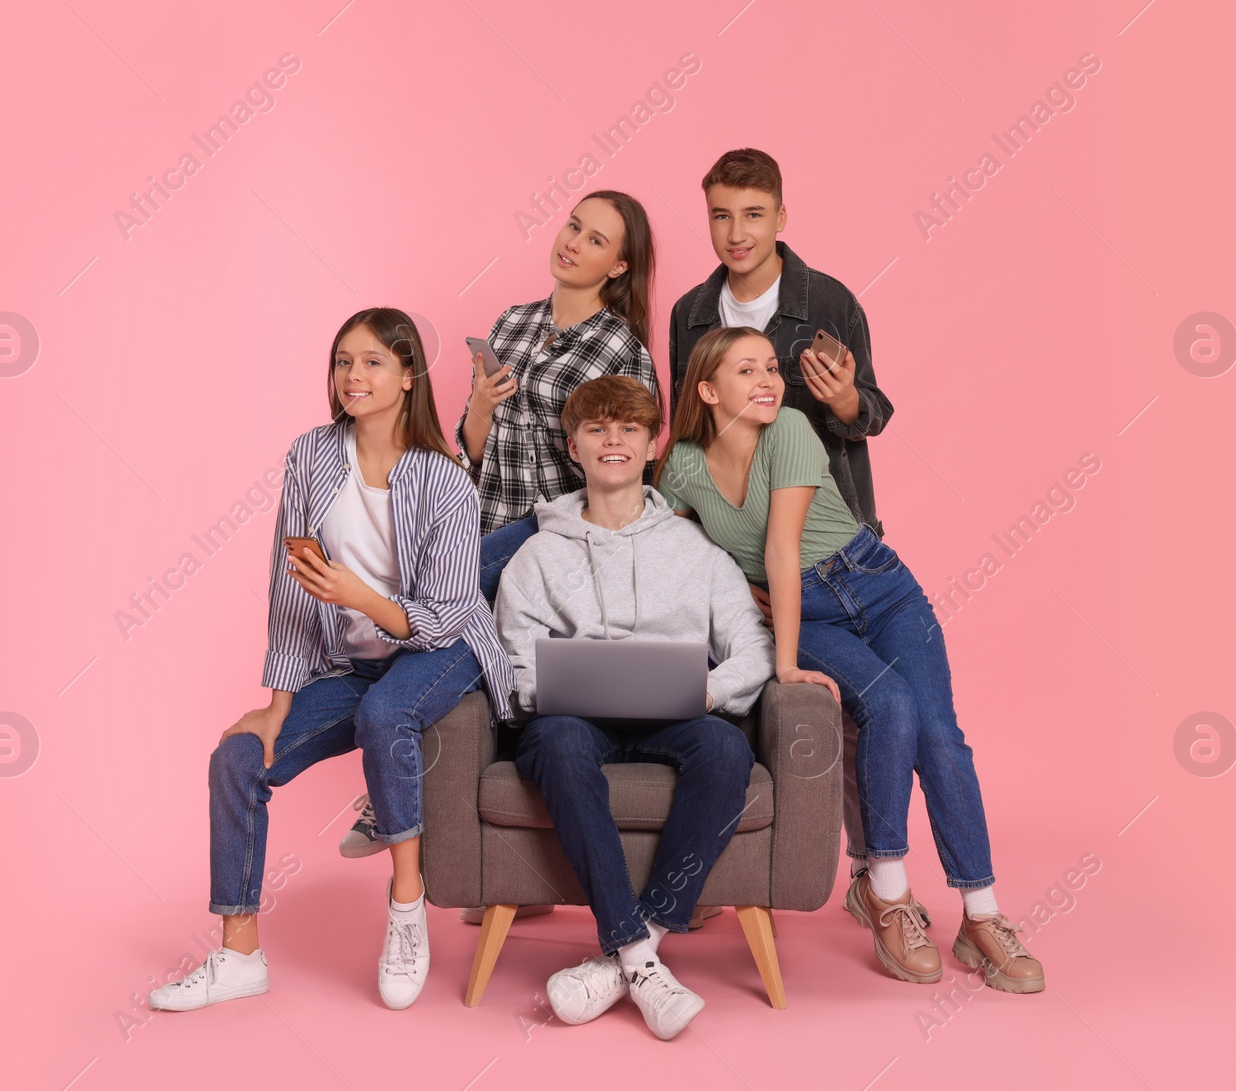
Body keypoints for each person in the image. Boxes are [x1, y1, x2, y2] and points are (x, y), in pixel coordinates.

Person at [655, 328, 1045, 994]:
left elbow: (782, 543)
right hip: (800, 608)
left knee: (940, 734)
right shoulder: (684, 466)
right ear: (707, 389)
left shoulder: (793, 431)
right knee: (886, 704)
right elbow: (672, 545)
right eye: (746, 369)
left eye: (771, 367)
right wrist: (747, 602)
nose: (767, 379)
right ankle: (885, 893)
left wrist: (771, 636)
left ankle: (981, 914)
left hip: (879, 583)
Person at [148, 308, 515, 1014]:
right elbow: (289, 582)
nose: (354, 375)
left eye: (373, 361)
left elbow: (442, 614)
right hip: (349, 659)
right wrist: (278, 703)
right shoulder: (311, 455)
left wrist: (361, 594)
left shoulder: (444, 480)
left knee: (386, 712)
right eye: (343, 360)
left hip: (443, 645)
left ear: (409, 376)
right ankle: (239, 954)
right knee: (236, 758)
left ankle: (406, 908)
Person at [342, 191, 660, 866]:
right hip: (487, 529)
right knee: (435, 639)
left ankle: (386, 790)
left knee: (410, 609)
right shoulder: (513, 323)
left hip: (556, 539)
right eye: (574, 225)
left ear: (619, 266)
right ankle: (391, 783)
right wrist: (482, 406)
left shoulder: (620, 349)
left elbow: (628, 468)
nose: (573, 241)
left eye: (595, 239)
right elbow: (474, 449)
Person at [497, 377, 774, 1039]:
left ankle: (629, 952)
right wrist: (557, 684)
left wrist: (705, 691)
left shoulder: (697, 551)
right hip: (571, 721)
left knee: (726, 746)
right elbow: (515, 659)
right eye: (597, 428)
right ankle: (640, 958)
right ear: (574, 447)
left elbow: (753, 648)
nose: (613, 439)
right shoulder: (536, 554)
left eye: (628, 429)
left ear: (653, 445)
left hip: (676, 714)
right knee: (558, 742)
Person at [668, 147, 901, 893]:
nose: (736, 232)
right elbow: (691, 431)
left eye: (753, 215)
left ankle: (872, 873)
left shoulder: (829, 301)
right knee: (742, 690)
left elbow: (874, 412)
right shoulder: (689, 313)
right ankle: (718, 870)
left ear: (781, 217)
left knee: (860, 712)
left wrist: (841, 402)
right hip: (738, 553)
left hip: (833, 549)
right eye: (721, 215)